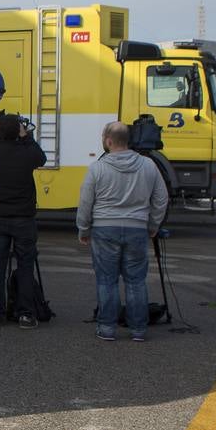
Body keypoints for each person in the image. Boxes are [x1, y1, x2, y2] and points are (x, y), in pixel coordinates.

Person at [77, 121, 169, 343]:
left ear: (108, 141)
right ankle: (138, 330)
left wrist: (83, 227)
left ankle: (107, 328)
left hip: (104, 228)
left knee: (106, 280)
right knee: (136, 280)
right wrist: (153, 225)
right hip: (137, 228)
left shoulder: (97, 168)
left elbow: (86, 202)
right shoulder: (148, 165)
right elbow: (161, 198)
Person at [0, 114, 47, 328]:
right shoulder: (28, 153)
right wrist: (26, 136)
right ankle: (26, 314)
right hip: (24, 219)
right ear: (20, 131)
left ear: (0, 132)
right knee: (25, 265)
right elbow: (41, 157)